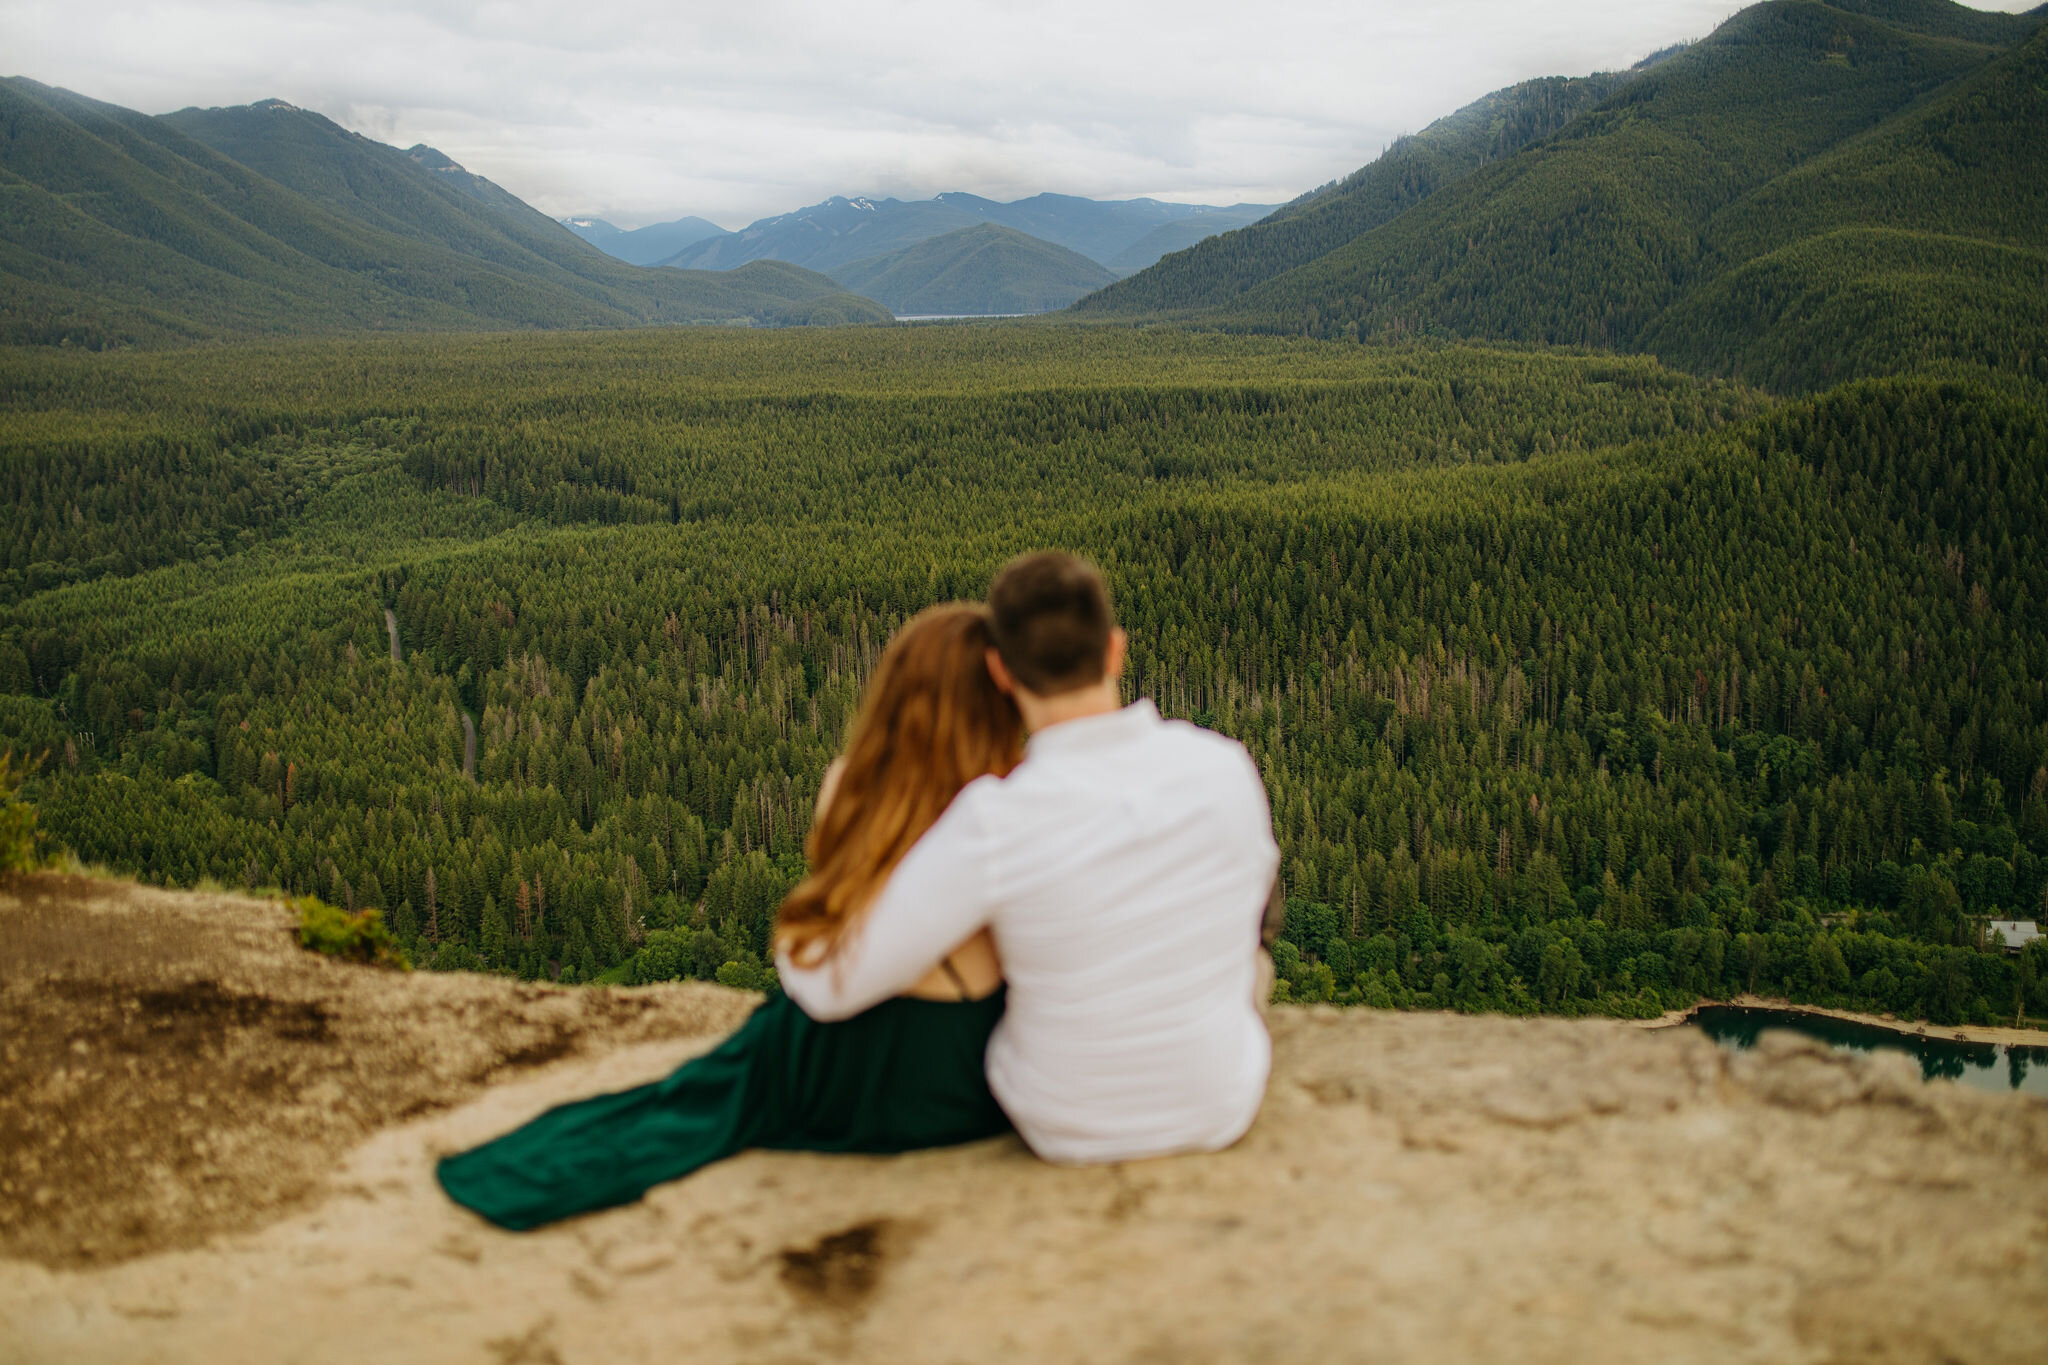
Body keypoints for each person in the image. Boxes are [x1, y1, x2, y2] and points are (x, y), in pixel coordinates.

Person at [436, 604, 1022, 1230]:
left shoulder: (850, 789)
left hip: (851, 1072)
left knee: (723, 1077)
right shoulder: (1018, 803)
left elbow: (816, 946)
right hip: (960, 1076)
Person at [778, 551, 1280, 1164]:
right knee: (1251, 956)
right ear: (1114, 651)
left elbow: (831, 986)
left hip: (1065, 1126)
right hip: (1224, 1105)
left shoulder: (996, 818)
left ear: (1001, 672)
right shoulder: (1224, 765)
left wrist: (818, 884)